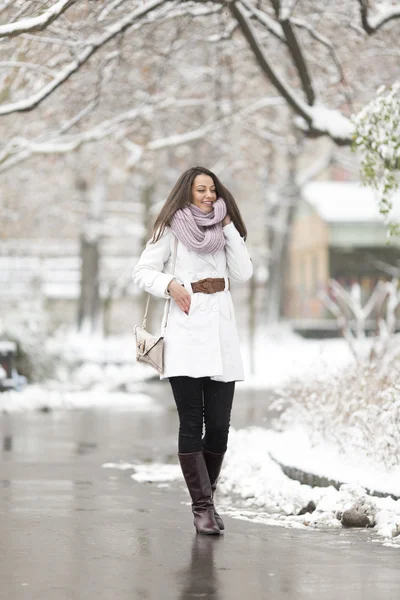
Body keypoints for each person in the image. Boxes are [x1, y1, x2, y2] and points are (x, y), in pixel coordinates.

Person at [133, 166, 253, 535]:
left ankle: (208, 498)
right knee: (192, 422)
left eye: (212, 190)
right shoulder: (170, 226)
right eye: (201, 189)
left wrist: (229, 226)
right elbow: (141, 272)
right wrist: (170, 283)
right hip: (185, 332)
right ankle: (202, 509)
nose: (208, 196)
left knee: (218, 428)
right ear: (187, 192)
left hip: (221, 333)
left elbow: (244, 272)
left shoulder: (223, 228)